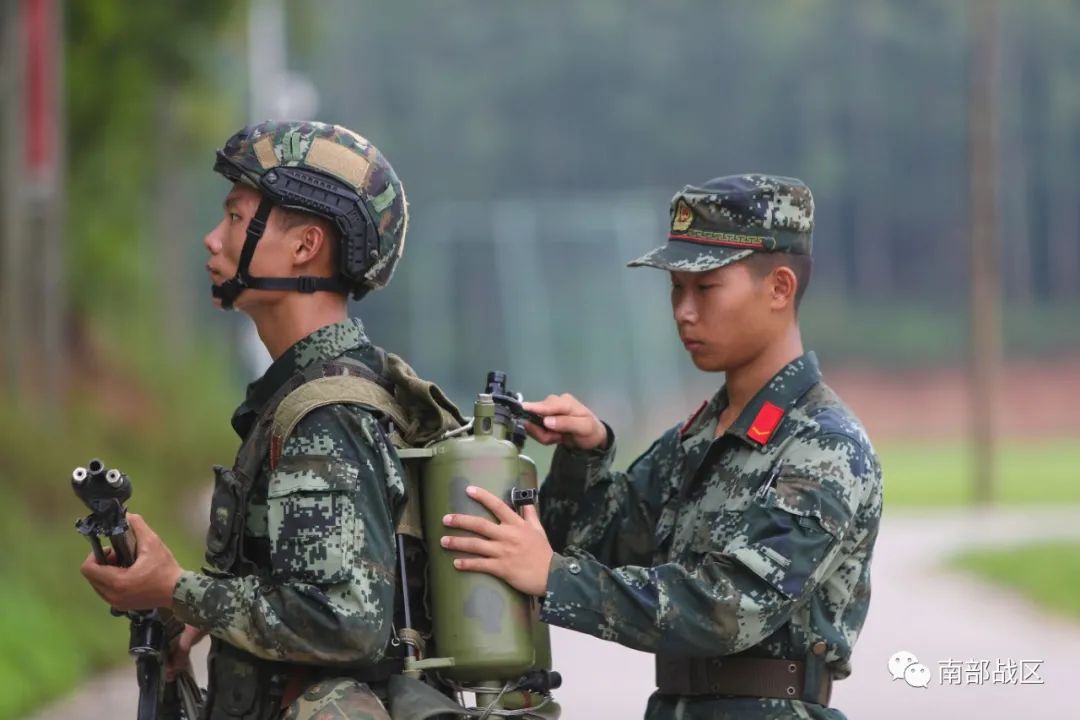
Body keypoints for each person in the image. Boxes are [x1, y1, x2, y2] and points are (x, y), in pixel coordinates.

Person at [441, 175, 884, 719]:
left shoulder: (824, 445)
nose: (683, 311)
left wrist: (555, 578)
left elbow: (729, 607)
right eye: (676, 288)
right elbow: (598, 543)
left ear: (779, 288)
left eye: (706, 288)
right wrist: (587, 452)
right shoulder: (699, 437)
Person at [81, 120, 434, 720]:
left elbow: (344, 623)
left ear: (305, 246)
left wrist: (178, 589)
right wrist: (196, 610)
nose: (211, 239)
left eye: (237, 218)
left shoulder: (328, 412)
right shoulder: (309, 392)